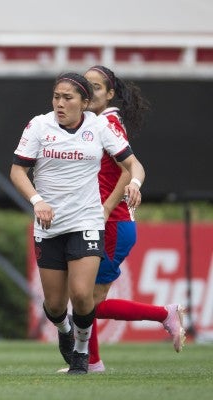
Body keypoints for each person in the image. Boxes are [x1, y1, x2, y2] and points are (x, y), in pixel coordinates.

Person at [10, 72, 146, 374]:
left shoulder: (100, 127)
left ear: (84, 103)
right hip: (48, 225)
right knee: (56, 305)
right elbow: (17, 172)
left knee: (83, 295)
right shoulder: (39, 125)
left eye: (68, 98)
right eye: (56, 96)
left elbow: (132, 164)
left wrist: (132, 184)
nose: (60, 103)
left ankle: (83, 353)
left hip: (86, 221)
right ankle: (63, 329)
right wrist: (37, 201)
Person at [78, 65, 185, 372]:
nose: (88, 92)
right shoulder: (99, 122)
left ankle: (164, 314)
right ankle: (92, 361)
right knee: (85, 300)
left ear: (110, 93)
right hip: (108, 224)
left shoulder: (108, 123)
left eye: (96, 87)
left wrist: (107, 208)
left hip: (112, 226)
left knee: (87, 302)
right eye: (85, 86)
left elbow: (129, 169)